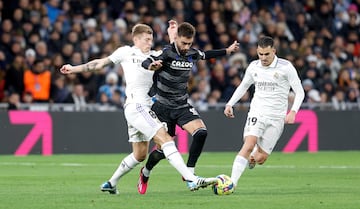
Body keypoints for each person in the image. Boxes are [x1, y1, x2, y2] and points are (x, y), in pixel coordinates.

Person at [59, 22, 217, 195]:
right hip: (137, 106)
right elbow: (99, 64)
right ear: (136, 39)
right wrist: (74, 68)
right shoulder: (126, 52)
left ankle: (111, 183)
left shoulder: (156, 55)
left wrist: (173, 34)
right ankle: (191, 178)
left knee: (140, 154)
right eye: (146, 39)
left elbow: (176, 51)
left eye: (151, 39)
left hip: (149, 108)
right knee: (166, 140)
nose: (149, 43)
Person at [139, 21, 239, 194]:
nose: (186, 47)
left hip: (181, 105)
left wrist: (227, 51)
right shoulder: (167, 52)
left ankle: (189, 173)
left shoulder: (192, 53)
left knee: (201, 133)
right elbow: (147, 60)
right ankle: (145, 172)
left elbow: (206, 54)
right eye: (184, 43)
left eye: (189, 43)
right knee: (162, 151)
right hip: (162, 108)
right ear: (176, 38)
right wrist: (151, 65)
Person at [223, 36, 305, 188]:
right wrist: (230, 103)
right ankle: (231, 183)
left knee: (261, 158)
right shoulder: (254, 67)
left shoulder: (286, 67)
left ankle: (254, 156)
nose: (263, 57)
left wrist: (293, 112)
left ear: (273, 51)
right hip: (257, 112)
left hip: (277, 117)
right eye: (260, 54)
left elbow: (300, 92)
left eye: (266, 54)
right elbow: (243, 86)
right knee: (248, 144)